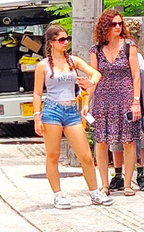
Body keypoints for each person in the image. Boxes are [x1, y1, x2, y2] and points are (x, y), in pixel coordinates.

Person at [32, 24, 114, 209]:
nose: (65, 42)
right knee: (53, 155)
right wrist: (37, 116)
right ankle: (58, 194)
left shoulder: (73, 61)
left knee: (85, 155)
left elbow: (96, 73)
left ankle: (94, 192)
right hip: (52, 109)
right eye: (61, 40)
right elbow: (37, 93)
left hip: (71, 110)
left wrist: (89, 82)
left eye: (67, 39)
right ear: (52, 42)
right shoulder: (43, 66)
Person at [85, 10, 142, 197]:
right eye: (113, 24)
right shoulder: (96, 50)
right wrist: (86, 101)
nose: (118, 27)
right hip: (103, 100)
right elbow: (93, 77)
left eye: (120, 24)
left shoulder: (129, 46)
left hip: (125, 97)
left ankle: (127, 183)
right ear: (105, 27)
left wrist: (136, 102)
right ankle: (104, 184)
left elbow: (136, 76)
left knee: (128, 140)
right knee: (101, 140)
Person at [109, 48, 144, 192]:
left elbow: (142, 77)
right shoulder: (109, 55)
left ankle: (140, 174)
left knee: (140, 138)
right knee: (116, 140)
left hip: (134, 101)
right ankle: (118, 175)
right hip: (115, 102)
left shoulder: (136, 56)